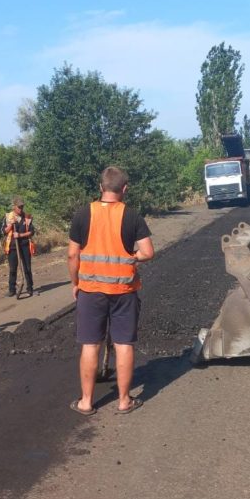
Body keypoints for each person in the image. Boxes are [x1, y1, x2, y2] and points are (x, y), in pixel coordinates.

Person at [68, 166, 154, 416]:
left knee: (90, 344)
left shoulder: (83, 214)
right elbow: (148, 252)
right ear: (124, 189)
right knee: (124, 344)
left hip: (90, 290)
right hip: (123, 290)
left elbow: (73, 254)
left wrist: (76, 283)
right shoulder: (132, 216)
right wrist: (130, 258)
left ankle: (86, 401)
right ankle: (124, 400)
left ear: (100, 187)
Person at [2, 197, 35, 297]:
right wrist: (11, 225)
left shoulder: (27, 217)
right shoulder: (8, 217)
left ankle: (30, 288)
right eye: (19, 207)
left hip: (24, 245)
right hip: (12, 246)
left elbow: (31, 232)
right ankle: (12, 289)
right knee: (13, 268)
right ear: (14, 207)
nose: (21, 209)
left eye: (22, 207)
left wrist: (20, 235)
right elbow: (3, 231)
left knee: (27, 268)